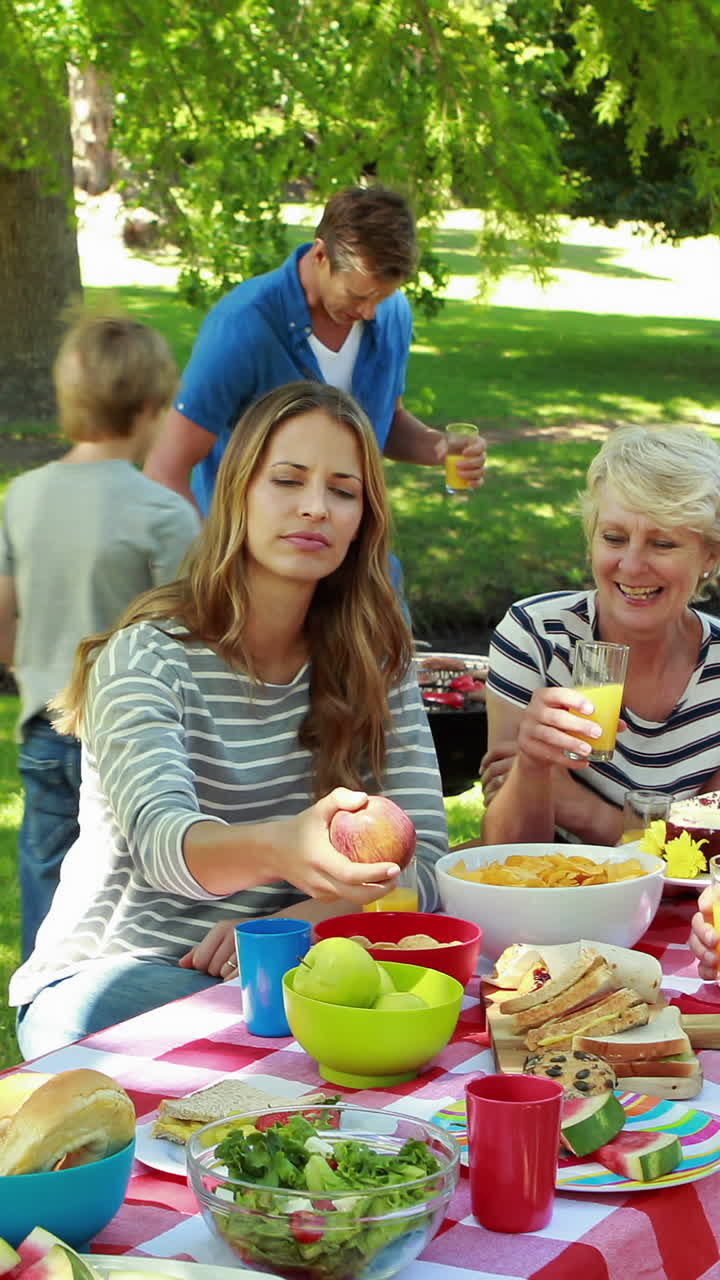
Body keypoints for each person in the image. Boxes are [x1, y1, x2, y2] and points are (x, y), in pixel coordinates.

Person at [10, 380, 448, 1059]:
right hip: (119, 976)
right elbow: (164, 850)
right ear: (238, 491)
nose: (314, 507)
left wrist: (307, 916)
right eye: (288, 480)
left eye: (342, 490)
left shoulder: (376, 657)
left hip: (291, 970)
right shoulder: (146, 656)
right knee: (304, 1051)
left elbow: (432, 865)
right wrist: (284, 848)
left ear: (364, 518)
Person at [0, 312, 200, 959]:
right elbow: (195, 633)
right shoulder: (164, 512)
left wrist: (34, 668)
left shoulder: (22, 496)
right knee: (132, 895)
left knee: (48, 882)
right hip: (130, 737)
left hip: (42, 728)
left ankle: (42, 1010)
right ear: (151, 408)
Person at [143, 185, 487, 516]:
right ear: (321, 255)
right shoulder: (243, 325)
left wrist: (439, 447)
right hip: (251, 562)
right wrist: (206, 567)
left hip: (350, 557)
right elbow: (165, 468)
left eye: (382, 297)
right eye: (358, 296)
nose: (369, 313)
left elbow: (387, 423)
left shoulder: (393, 313)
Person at [478, 424, 720, 846]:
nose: (631, 565)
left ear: (710, 556)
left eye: (662, 544)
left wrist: (582, 809)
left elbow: (702, 850)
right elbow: (505, 851)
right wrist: (534, 768)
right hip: (555, 898)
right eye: (613, 537)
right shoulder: (537, 634)